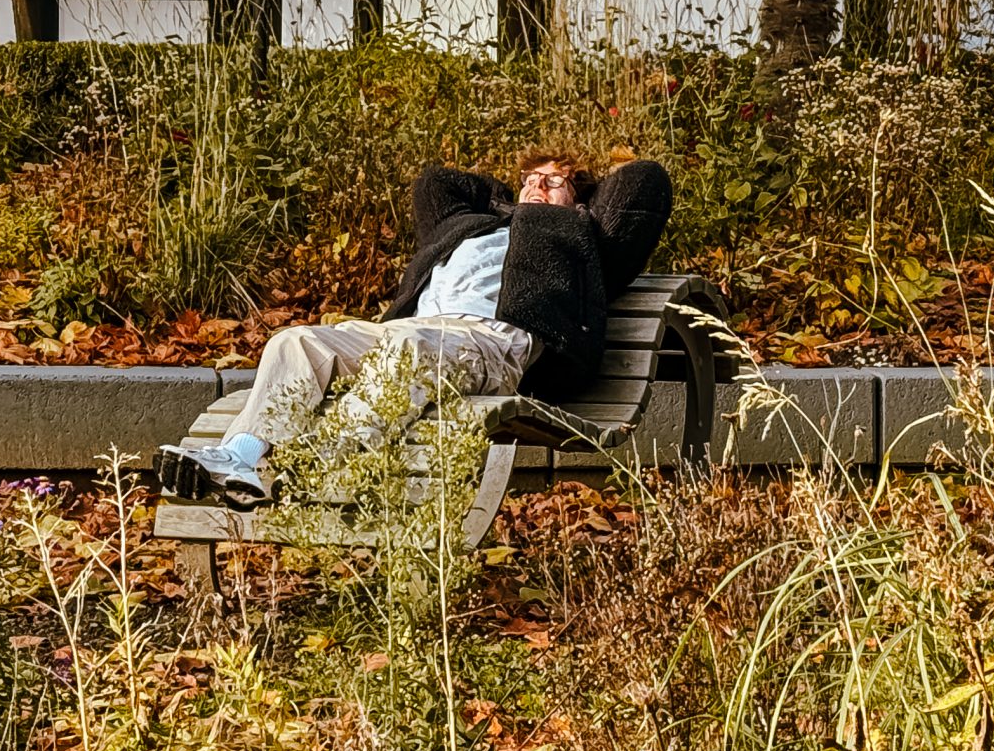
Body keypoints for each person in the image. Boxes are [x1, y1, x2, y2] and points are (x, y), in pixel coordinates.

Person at [160, 148, 673, 503]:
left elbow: (643, 182)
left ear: (582, 199)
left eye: (552, 181)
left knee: (409, 347)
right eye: (529, 179)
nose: (535, 186)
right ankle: (241, 457)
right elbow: (436, 182)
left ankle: (309, 469)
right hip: (415, 331)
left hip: (490, 340)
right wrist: (510, 203)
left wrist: (563, 201)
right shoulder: (470, 226)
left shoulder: (584, 237)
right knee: (296, 342)